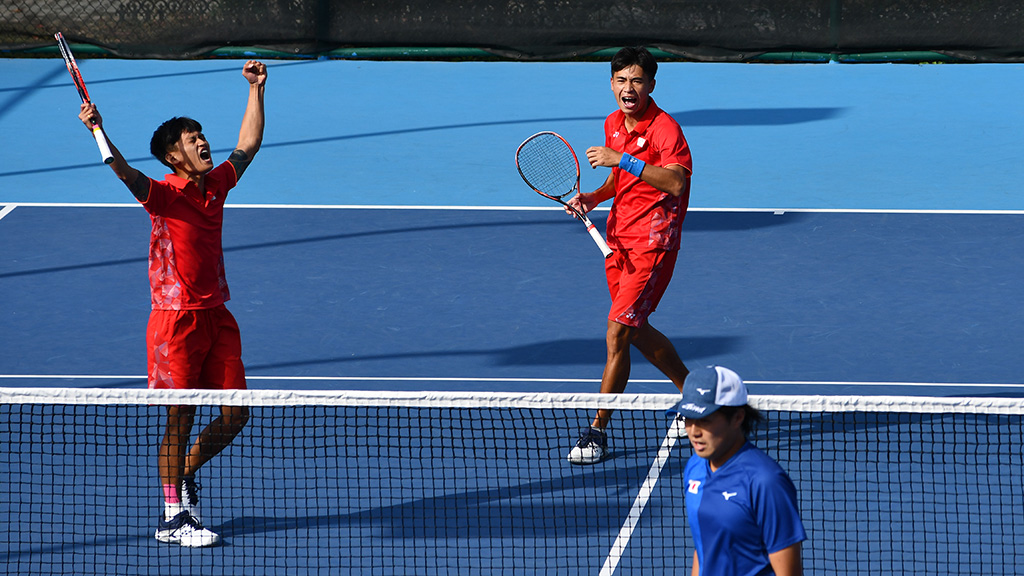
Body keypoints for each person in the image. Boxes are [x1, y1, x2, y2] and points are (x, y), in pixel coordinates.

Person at [76, 61, 267, 548]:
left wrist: (256, 90)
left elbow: (247, 148)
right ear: (172, 157)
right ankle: (170, 517)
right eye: (190, 139)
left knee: (235, 415)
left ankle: (180, 477)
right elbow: (122, 171)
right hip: (175, 321)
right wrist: (98, 129)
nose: (202, 142)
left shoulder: (216, 186)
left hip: (218, 317)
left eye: (201, 134)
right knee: (178, 417)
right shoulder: (162, 196)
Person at [565, 46, 693, 464]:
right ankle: (697, 395)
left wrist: (623, 158)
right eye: (621, 80)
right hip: (618, 239)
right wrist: (594, 197)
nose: (628, 88)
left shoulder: (665, 130)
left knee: (618, 332)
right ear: (611, 84)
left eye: (637, 80)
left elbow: (674, 184)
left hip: (652, 245)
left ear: (651, 85)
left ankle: (597, 431)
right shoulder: (613, 123)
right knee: (635, 329)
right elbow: (620, 181)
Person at [676, 366, 806, 576]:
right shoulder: (695, 467)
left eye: (705, 420)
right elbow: (704, 548)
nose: (693, 431)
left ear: (737, 418)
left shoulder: (766, 482)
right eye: (688, 419)